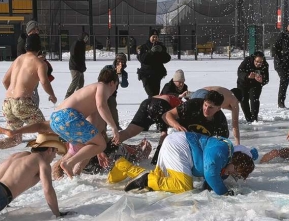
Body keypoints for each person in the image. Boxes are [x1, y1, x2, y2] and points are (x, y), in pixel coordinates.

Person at [0, 35, 57, 165]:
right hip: (22, 103)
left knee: (15, 139)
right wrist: (52, 95)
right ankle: (43, 160)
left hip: (7, 103)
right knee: (44, 128)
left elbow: (5, 80)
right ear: (39, 48)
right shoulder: (40, 63)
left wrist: (13, 95)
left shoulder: (18, 59)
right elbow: (44, 82)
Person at [108, 131, 256, 196]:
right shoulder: (221, 150)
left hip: (178, 145)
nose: (232, 175)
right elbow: (210, 173)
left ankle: (123, 166)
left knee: (161, 177)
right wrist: (224, 193)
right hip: (179, 146)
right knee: (184, 187)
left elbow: (215, 176)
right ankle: (147, 180)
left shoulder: (226, 158)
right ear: (236, 160)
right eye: (235, 171)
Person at [49, 67, 121, 177]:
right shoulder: (102, 86)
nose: (114, 90)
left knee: (86, 148)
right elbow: (101, 106)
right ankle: (68, 164)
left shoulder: (91, 91)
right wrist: (114, 128)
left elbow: (92, 126)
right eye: (116, 86)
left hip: (56, 120)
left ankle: (69, 176)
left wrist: (97, 151)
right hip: (69, 116)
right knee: (101, 144)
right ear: (112, 83)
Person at [236, 51, 270, 123]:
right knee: (243, 100)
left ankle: (254, 119)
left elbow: (266, 79)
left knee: (254, 99)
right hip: (243, 83)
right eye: (257, 61)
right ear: (254, 59)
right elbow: (239, 72)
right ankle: (248, 118)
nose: (258, 64)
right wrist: (247, 76)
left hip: (255, 84)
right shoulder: (247, 61)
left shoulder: (265, 65)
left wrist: (262, 80)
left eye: (261, 62)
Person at [137, 29, 171, 97]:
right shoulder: (143, 47)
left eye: (156, 37)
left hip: (157, 74)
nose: (155, 39)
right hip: (146, 75)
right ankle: (150, 106)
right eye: (153, 37)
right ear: (149, 37)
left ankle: (153, 106)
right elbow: (142, 59)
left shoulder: (161, 47)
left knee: (155, 94)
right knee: (151, 94)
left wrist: (161, 52)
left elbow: (167, 59)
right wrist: (150, 52)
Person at [273, 22, 289, 108]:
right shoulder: (282, 36)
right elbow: (275, 48)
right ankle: (280, 103)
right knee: (284, 81)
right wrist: (280, 60)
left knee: (285, 82)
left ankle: (281, 102)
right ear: (287, 28)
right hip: (281, 63)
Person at [102, 53, 129, 133]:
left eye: (122, 61)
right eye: (118, 60)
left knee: (113, 108)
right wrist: (113, 73)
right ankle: (102, 128)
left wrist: (119, 74)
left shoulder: (124, 73)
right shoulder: (108, 68)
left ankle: (116, 126)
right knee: (102, 109)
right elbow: (102, 78)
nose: (120, 62)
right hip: (103, 91)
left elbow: (124, 85)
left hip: (112, 94)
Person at [65, 32, 89, 98]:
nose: (86, 39)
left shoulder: (82, 44)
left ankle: (78, 96)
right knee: (75, 82)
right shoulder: (77, 43)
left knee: (81, 82)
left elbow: (82, 58)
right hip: (75, 67)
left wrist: (83, 66)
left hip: (80, 67)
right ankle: (67, 97)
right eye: (85, 38)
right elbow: (74, 56)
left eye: (87, 38)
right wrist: (78, 65)